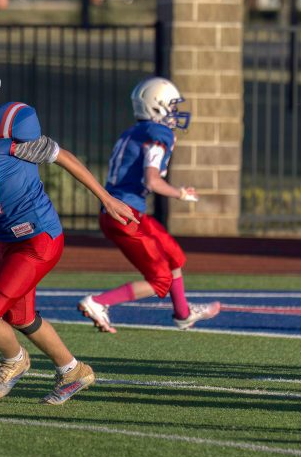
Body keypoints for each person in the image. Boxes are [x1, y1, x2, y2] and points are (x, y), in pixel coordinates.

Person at [0, 54, 135, 405]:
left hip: (38, 237)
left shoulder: (7, 126)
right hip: (5, 241)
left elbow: (62, 156)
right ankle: (73, 370)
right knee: (20, 316)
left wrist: (106, 198)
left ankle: (14, 361)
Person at [77, 76, 220, 334]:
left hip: (126, 211)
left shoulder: (133, 132)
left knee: (173, 254)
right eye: (171, 106)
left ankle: (183, 313)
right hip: (125, 214)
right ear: (156, 106)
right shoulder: (158, 134)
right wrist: (179, 193)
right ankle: (98, 302)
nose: (175, 113)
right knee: (160, 280)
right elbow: (152, 180)